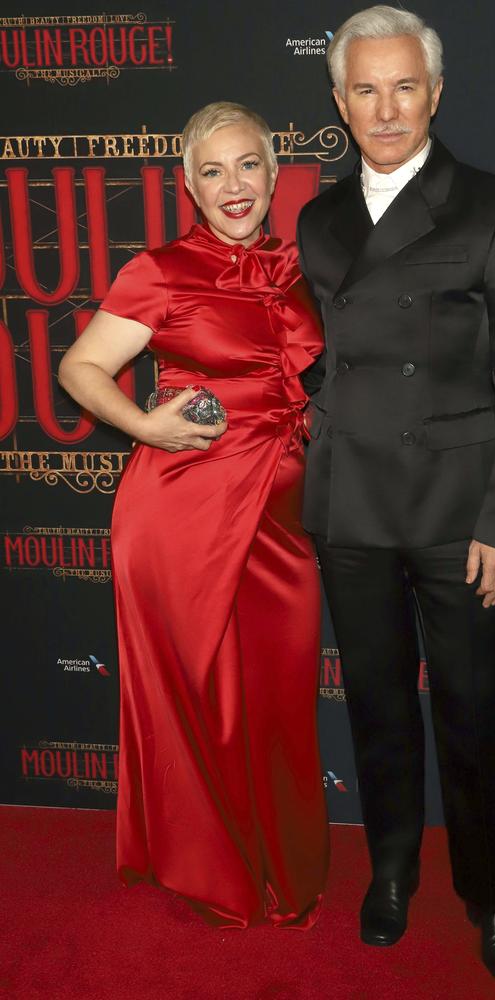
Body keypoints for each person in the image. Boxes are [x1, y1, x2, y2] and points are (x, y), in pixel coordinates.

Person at [297, 6, 495, 985]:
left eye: (405, 86)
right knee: (374, 706)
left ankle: (488, 894)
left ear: (435, 93)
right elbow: (314, 358)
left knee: (472, 710)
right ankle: (392, 868)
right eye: (365, 88)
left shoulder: (493, 206)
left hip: (456, 513)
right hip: (352, 506)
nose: (386, 107)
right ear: (338, 102)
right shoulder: (316, 220)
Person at [58, 101, 328, 929]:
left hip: (282, 516)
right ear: (189, 186)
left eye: (248, 165)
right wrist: (145, 424)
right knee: (204, 695)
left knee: (278, 691)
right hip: (184, 511)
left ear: (275, 174)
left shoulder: (302, 264)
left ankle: (281, 859)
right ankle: (216, 868)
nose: (233, 185)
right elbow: (81, 366)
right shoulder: (162, 270)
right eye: (212, 172)